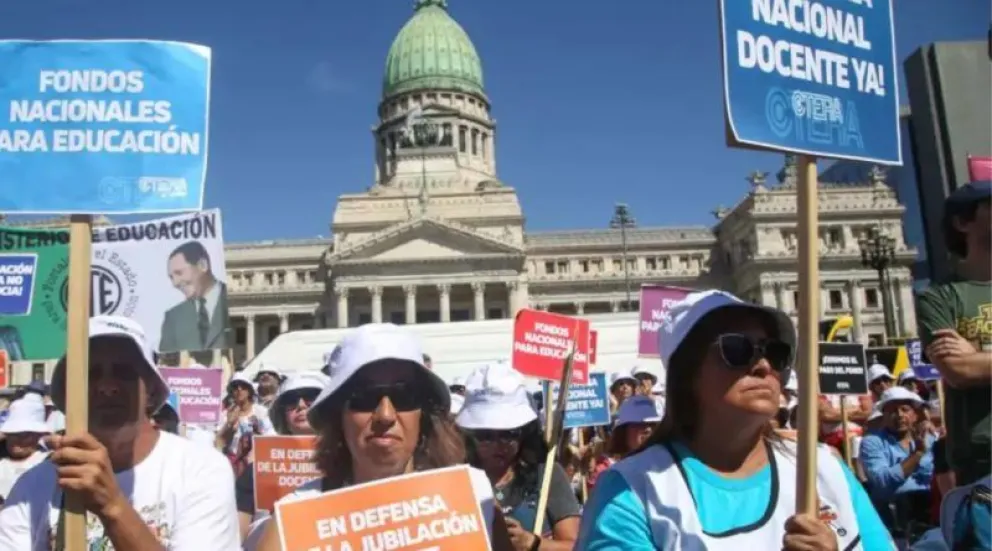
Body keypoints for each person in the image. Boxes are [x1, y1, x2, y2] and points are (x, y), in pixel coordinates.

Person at [577, 290, 893, 550]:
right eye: (737, 349)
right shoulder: (632, 491)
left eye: (775, 352)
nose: (764, 365)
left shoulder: (824, 469)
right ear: (687, 375)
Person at [249, 323, 513, 550]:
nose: (385, 415)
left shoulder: (475, 499)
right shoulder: (294, 521)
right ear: (338, 414)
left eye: (404, 396)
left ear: (424, 413)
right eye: (365, 397)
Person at [0, 315, 240, 549]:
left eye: (124, 372)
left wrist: (113, 506)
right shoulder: (33, 487)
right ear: (70, 392)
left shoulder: (200, 471)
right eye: (91, 374)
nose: (106, 386)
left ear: (151, 391)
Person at [458, 360, 581, 550]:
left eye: (508, 433)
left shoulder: (547, 474)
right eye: (485, 435)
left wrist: (533, 543)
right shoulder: (456, 480)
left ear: (525, 431)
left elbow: (576, 546)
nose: (498, 444)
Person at [916, 179, 991, 487]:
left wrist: (977, 356)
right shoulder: (938, 297)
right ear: (963, 223)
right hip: (982, 462)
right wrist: (968, 363)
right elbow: (958, 370)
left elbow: (970, 366)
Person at [859, 387, 936, 541]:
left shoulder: (929, 438)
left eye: (905, 409)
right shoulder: (872, 442)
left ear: (915, 415)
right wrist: (917, 455)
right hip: (894, 521)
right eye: (893, 411)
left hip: (929, 513)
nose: (900, 415)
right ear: (884, 416)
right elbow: (883, 481)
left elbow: (933, 475)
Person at [159, 241, 231, 352]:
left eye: (179, 273)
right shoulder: (172, 318)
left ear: (203, 265)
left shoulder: (230, 300)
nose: (175, 283)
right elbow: (166, 359)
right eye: (171, 277)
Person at [587, 395, 660, 494]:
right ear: (623, 432)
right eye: (640, 424)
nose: (648, 429)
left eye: (652, 424)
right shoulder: (607, 474)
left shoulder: (666, 466)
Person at [216, 372, 275, 475]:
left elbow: (270, 438)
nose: (239, 389)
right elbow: (219, 442)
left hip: (256, 461)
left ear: (249, 390)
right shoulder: (225, 415)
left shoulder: (261, 412)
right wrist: (229, 424)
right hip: (232, 463)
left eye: (243, 386)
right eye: (235, 387)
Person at [0, 398, 50, 501]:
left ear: (38, 435)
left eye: (24, 435)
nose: (15, 439)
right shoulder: (2, 463)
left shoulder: (48, 463)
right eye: (12, 434)